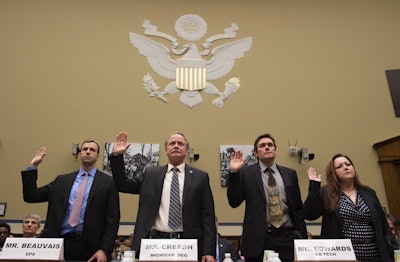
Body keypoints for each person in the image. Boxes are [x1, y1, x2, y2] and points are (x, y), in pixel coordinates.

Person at [109, 131, 216, 262]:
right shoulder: (150, 174)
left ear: (186, 151)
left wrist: (208, 251)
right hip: (155, 242)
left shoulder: (200, 177)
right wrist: (117, 156)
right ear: (166, 150)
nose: (176, 146)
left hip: (188, 244)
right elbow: (123, 185)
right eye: (172, 143)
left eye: (180, 144)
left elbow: (208, 217)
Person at [21, 140, 120, 262]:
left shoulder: (108, 183)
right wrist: (33, 166)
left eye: (92, 150)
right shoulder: (62, 181)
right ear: (79, 155)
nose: (88, 152)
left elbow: (113, 219)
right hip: (59, 244)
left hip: (92, 247)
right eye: (84, 149)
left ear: (98, 156)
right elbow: (31, 196)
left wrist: (104, 250)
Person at [227, 133, 307, 262]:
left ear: (275, 150)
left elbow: (298, 208)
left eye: (270, 145)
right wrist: (234, 173)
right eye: (262, 146)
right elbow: (234, 201)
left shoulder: (289, 174)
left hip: (287, 236)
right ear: (256, 153)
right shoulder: (246, 173)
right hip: (258, 238)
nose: (267, 148)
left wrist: (302, 238)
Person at [304, 153, 396, 261]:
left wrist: (394, 252)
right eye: (339, 166)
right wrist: (314, 187)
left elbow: (383, 225)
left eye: (348, 164)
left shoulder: (369, 192)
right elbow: (309, 214)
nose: (346, 167)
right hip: (343, 257)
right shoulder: (326, 193)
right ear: (333, 173)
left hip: (375, 256)